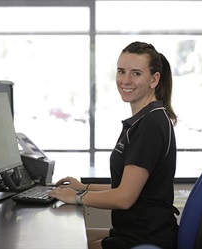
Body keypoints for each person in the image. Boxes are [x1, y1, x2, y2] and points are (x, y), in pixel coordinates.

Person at [48, 41, 179, 249]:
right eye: (121, 71)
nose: (125, 80)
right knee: (61, 238)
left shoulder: (150, 125)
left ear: (154, 80)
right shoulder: (145, 119)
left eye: (136, 73)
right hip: (137, 231)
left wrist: (78, 197)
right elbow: (126, 186)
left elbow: (124, 198)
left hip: (145, 238)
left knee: (63, 244)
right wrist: (84, 187)